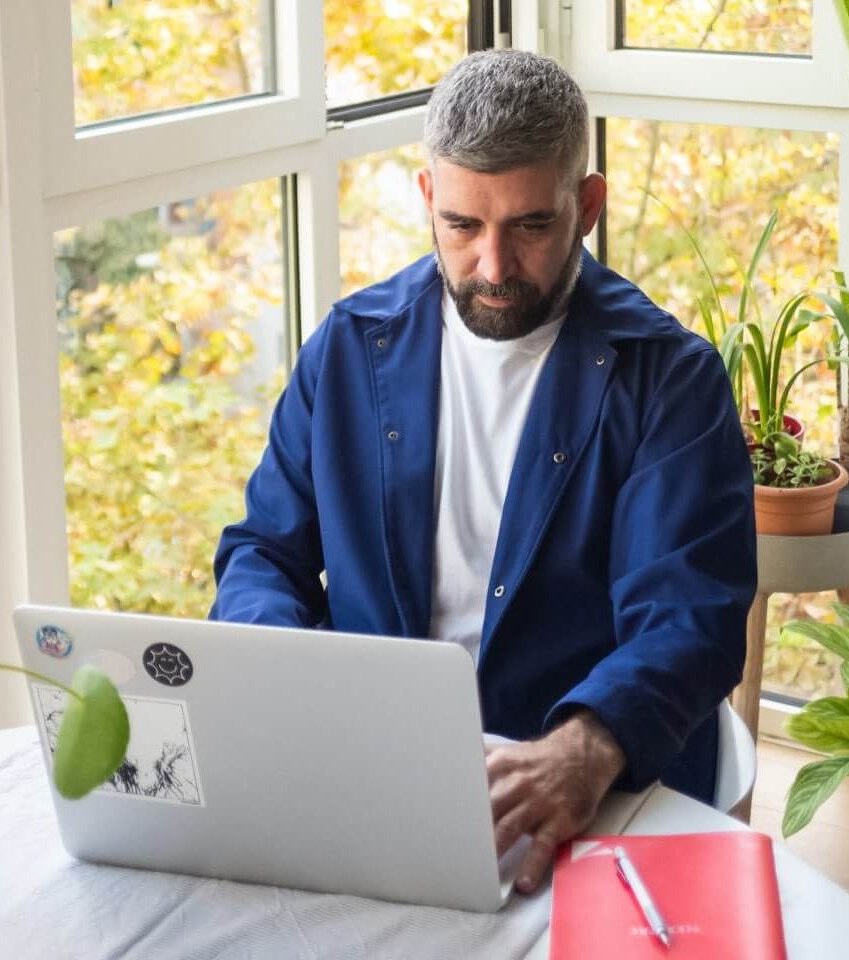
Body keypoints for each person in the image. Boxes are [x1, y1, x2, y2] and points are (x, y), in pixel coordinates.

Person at [210, 50, 756, 895]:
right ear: (429, 201)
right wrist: (291, 679)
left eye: (530, 226)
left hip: (579, 776)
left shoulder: (669, 378)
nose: (493, 268)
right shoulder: (349, 350)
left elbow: (688, 620)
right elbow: (261, 554)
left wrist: (589, 741)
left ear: (587, 206)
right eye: (463, 226)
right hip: (373, 771)